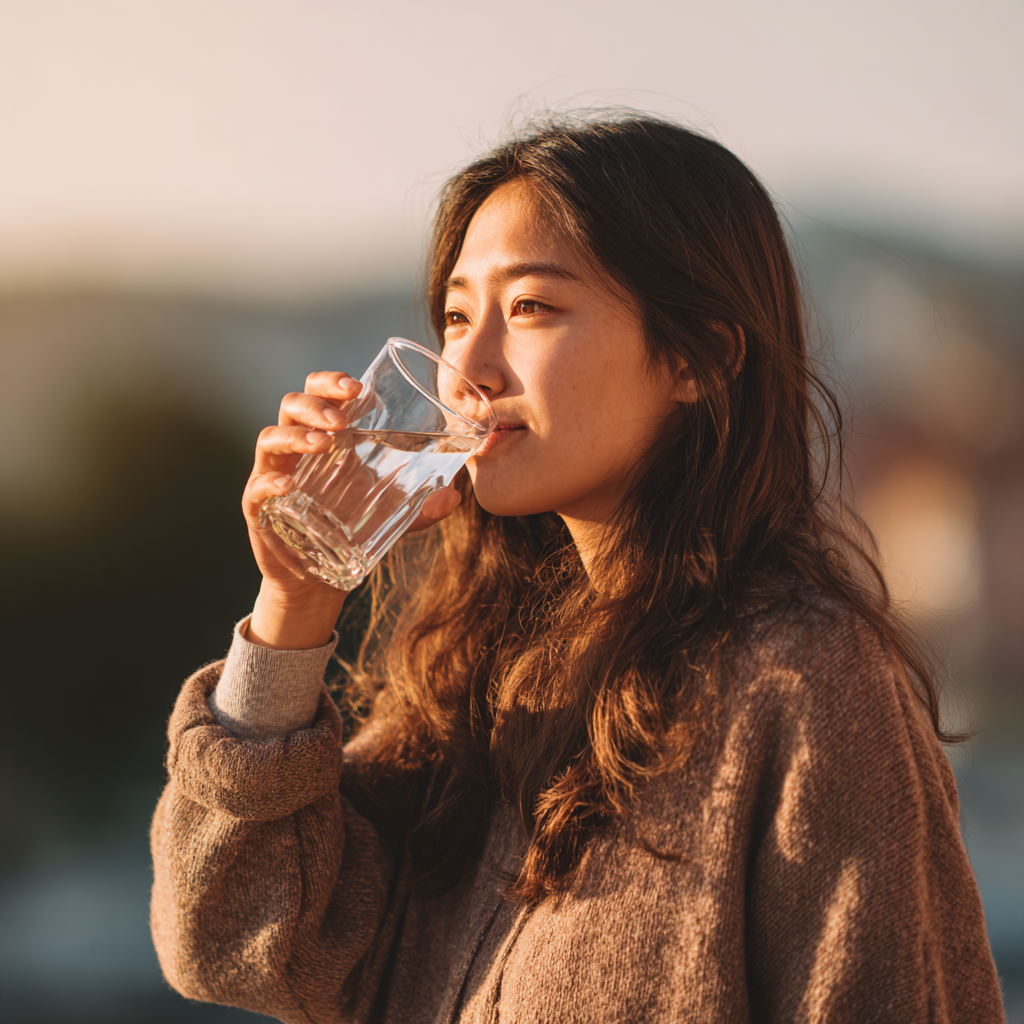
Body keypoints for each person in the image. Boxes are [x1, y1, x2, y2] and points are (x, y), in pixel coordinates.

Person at [150, 115, 1005, 1023]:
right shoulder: (477, 681)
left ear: (700, 356)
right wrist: (293, 606)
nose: (468, 369)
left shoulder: (803, 679)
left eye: (530, 309)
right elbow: (233, 948)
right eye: (454, 315)